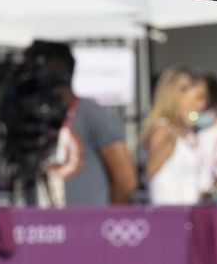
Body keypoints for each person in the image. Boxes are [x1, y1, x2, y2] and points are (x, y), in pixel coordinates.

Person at [23, 41, 137, 207]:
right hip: (44, 226)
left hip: (88, 226)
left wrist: (106, 222)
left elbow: (125, 181)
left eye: (36, 69)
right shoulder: (31, 118)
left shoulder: (91, 113)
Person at [142, 66, 208, 205]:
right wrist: (169, 142)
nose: (201, 105)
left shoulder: (188, 133)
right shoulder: (163, 130)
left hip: (192, 213)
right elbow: (150, 172)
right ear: (178, 94)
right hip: (170, 215)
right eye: (197, 97)